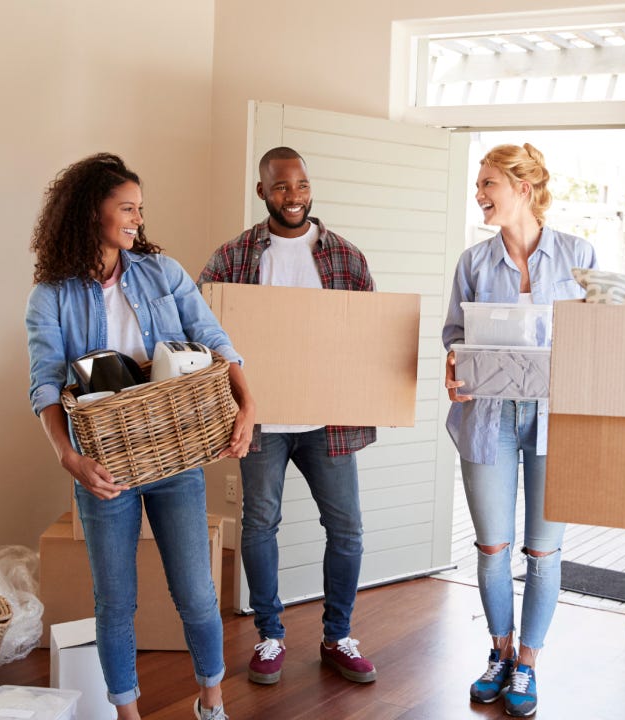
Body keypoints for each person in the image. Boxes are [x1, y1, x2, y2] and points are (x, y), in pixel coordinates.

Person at [26, 153, 255, 720]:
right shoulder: (50, 296)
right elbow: (46, 385)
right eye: (125, 208)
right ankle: (127, 714)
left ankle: (212, 701)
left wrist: (248, 404)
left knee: (198, 593)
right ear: (89, 212)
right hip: (104, 468)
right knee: (115, 602)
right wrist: (69, 460)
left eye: (139, 209)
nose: (136, 219)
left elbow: (212, 337)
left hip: (175, 454)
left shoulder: (163, 272)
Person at [198, 146, 378, 686]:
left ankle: (337, 636)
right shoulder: (232, 259)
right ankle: (270, 636)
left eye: (300, 185)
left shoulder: (345, 258)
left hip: (328, 421)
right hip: (262, 422)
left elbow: (369, 334)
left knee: (346, 528)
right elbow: (201, 329)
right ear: (262, 192)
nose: (293, 196)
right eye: (280, 187)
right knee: (259, 524)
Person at [442, 143, 598, 717]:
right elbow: (453, 335)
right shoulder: (474, 262)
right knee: (491, 546)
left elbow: (599, 337)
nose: (479, 194)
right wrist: (454, 369)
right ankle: (500, 653)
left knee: (544, 550)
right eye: (478, 185)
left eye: (488, 184)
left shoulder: (579, 255)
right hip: (488, 415)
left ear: (523, 189)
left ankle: (528, 665)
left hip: (556, 418)